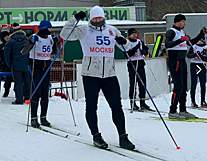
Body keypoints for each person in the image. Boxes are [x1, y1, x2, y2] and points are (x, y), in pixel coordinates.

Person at [60, 6, 135, 150]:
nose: (97, 20)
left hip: (109, 75)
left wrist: (123, 41)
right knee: (91, 106)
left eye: (100, 17)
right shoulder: (84, 30)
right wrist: (75, 18)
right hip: (90, 75)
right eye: (95, 18)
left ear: (103, 17)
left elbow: (127, 46)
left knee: (117, 107)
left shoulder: (112, 30)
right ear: (91, 18)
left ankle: (123, 137)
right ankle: (96, 135)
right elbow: (65, 34)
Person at [165, 14, 205, 119]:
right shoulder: (172, 31)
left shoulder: (181, 32)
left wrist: (201, 34)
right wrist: (181, 40)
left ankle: (182, 109)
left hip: (182, 60)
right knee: (178, 86)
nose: (185, 24)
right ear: (178, 22)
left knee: (184, 86)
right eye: (183, 21)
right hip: (175, 60)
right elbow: (167, 44)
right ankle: (172, 110)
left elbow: (190, 42)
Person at [22, 20, 60, 128]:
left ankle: (43, 117)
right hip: (35, 67)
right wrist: (31, 42)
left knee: (45, 93)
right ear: (44, 29)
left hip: (46, 67)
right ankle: (34, 118)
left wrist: (58, 43)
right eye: (49, 28)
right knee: (36, 92)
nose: (51, 30)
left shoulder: (50, 39)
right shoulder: (35, 37)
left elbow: (57, 52)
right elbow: (24, 51)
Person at [4, 23, 30, 104]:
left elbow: (7, 56)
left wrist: (10, 65)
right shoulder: (27, 40)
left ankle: (19, 100)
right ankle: (28, 99)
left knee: (18, 82)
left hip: (15, 65)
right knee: (27, 82)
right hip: (26, 64)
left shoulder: (10, 42)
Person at [126, 28, 151, 111]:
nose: (134, 35)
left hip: (140, 63)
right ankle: (133, 103)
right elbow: (127, 54)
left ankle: (142, 102)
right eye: (132, 34)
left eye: (135, 34)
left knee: (142, 83)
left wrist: (143, 51)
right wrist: (134, 49)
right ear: (129, 35)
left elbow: (146, 50)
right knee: (133, 84)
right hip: (132, 64)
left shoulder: (139, 42)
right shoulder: (127, 43)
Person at [187, 38, 207, 108]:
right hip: (194, 66)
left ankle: (203, 101)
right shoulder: (193, 46)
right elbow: (188, 56)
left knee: (203, 84)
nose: (199, 41)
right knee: (194, 84)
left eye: (201, 40)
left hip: (202, 66)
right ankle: (193, 101)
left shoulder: (205, 47)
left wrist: (201, 57)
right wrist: (195, 55)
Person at [0, 31, 13, 97]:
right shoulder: (1, 46)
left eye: (8, 36)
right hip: (5, 65)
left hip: (13, 64)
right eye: (5, 36)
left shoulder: (12, 44)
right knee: (8, 81)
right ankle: (6, 92)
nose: (7, 37)